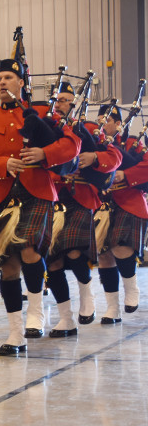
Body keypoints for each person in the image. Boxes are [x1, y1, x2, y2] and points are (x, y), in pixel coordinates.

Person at [0, 59, 80, 355]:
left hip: (37, 193)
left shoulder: (43, 112)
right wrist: (3, 164)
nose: (2, 82)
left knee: (30, 250)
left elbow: (71, 144)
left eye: (8, 77)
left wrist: (45, 153)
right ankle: (15, 333)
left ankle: (36, 314)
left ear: (21, 82)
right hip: (3, 197)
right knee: (7, 265)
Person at [45, 83, 122, 336]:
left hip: (81, 198)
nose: (59, 104)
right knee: (53, 262)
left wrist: (94, 159)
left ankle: (86, 292)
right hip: (54, 199)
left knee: (76, 252)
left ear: (75, 104)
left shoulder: (90, 129)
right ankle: (66, 318)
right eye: (57, 99)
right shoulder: (47, 128)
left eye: (66, 100)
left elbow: (114, 157)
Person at [94, 104, 148, 324]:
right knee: (104, 255)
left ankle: (131, 287)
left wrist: (124, 174)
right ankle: (112, 308)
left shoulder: (133, 144)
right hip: (102, 204)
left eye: (105, 120)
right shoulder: (95, 146)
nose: (101, 124)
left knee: (121, 246)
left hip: (129, 201)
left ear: (118, 124)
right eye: (99, 120)